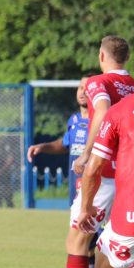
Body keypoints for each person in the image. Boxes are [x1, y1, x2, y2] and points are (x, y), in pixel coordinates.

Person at [75, 42, 134, 268]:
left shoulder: (120, 110)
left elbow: (94, 167)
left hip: (133, 212)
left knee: (103, 259)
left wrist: (86, 208)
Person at [65, 36, 134, 268]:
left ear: (101, 56)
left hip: (105, 174)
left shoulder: (98, 81)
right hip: (131, 175)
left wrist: (87, 153)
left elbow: (102, 108)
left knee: (78, 240)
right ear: (128, 58)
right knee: (117, 246)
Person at [27, 76, 90, 205]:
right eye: (81, 87)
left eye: (88, 88)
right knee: (76, 224)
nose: (83, 92)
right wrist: (42, 147)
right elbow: (65, 144)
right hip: (76, 187)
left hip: (95, 188)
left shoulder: (102, 121)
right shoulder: (74, 120)